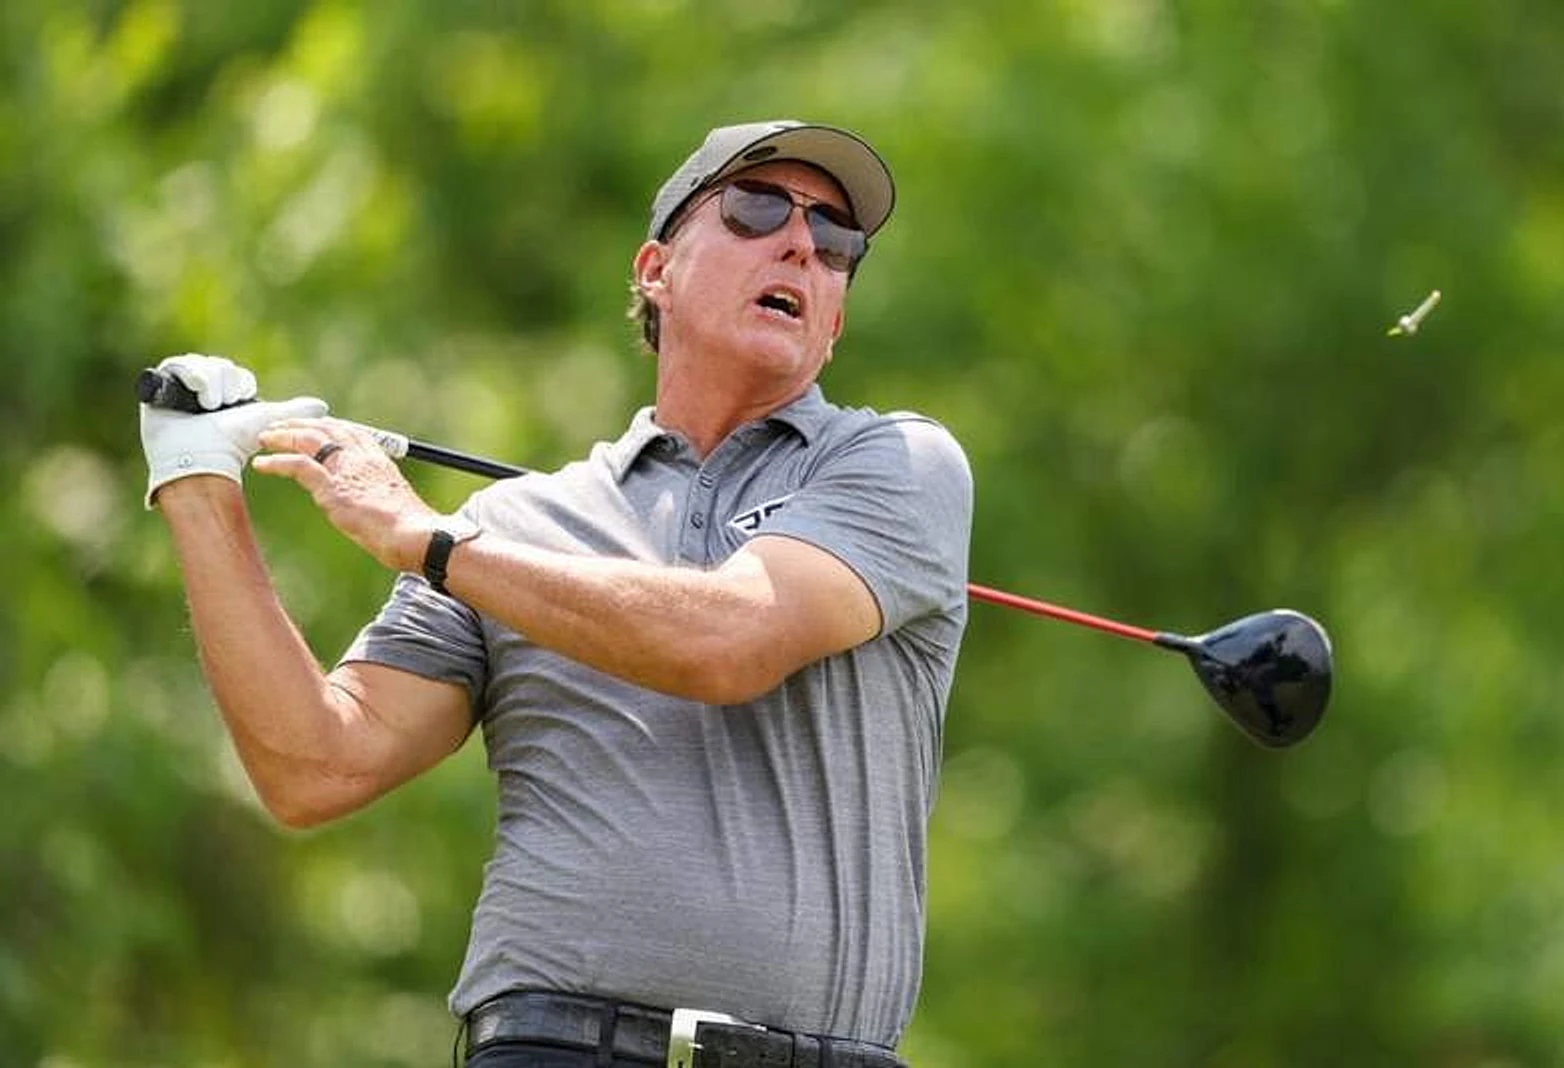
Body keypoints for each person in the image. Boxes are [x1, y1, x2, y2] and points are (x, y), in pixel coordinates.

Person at [140, 120, 973, 1068]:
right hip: (550, 1045)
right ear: (656, 270)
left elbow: (730, 641)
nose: (799, 244)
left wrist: (430, 540)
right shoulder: (514, 526)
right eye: (755, 208)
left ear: (835, 321)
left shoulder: (899, 463)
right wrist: (197, 489)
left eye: (834, 241)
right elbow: (315, 768)